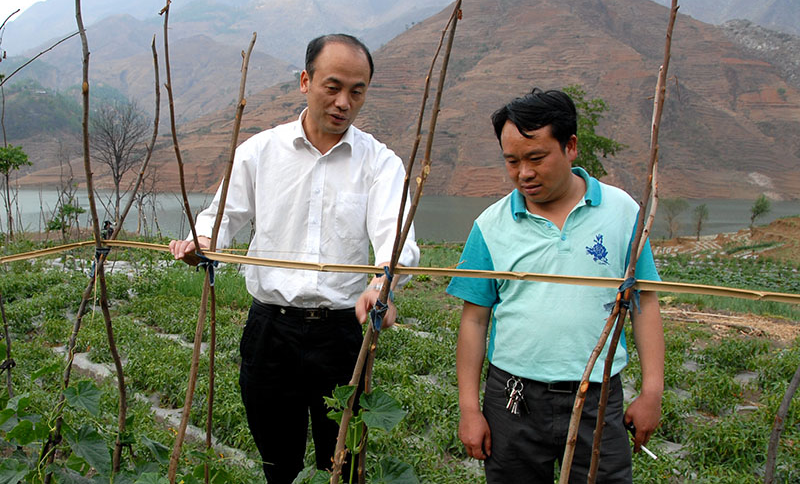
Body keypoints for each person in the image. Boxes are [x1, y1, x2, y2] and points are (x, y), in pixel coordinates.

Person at [169, 33, 420, 483]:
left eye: (356, 91)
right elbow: (220, 217)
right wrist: (200, 243)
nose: (344, 102)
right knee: (277, 462)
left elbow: (397, 239)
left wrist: (382, 283)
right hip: (270, 330)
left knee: (339, 464)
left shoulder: (379, 163)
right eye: (333, 86)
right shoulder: (260, 152)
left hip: (343, 332)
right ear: (305, 81)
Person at [446, 87, 664, 483]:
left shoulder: (622, 212)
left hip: (596, 396)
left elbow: (644, 305)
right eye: (511, 161)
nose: (523, 173)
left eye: (536, 158)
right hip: (513, 400)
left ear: (571, 147)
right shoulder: (490, 226)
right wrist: (469, 409)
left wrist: (651, 391)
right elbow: (474, 321)